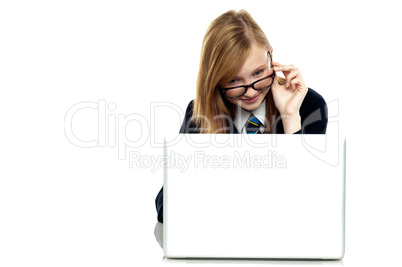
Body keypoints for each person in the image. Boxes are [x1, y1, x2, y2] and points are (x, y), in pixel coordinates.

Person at [155, 9, 328, 223]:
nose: (251, 91)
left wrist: (290, 116)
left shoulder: (308, 106)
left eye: (258, 73)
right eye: (234, 81)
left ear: (270, 56)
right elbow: (166, 207)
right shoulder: (198, 113)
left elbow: (312, 200)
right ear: (215, 80)